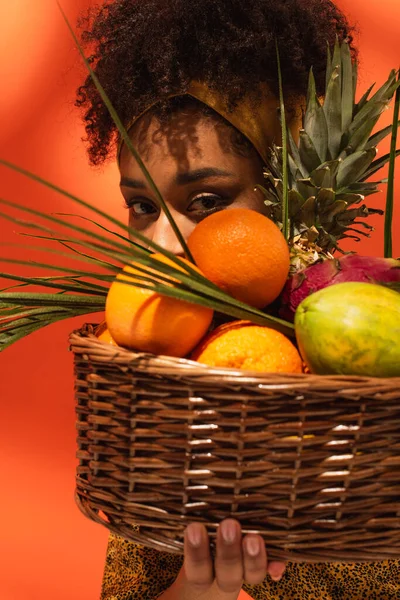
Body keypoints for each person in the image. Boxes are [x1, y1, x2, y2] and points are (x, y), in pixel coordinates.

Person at [75, 0, 400, 598]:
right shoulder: (170, 403)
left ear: (286, 195)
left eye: (205, 202)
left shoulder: (371, 351)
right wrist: (202, 590)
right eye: (142, 206)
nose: (163, 246)